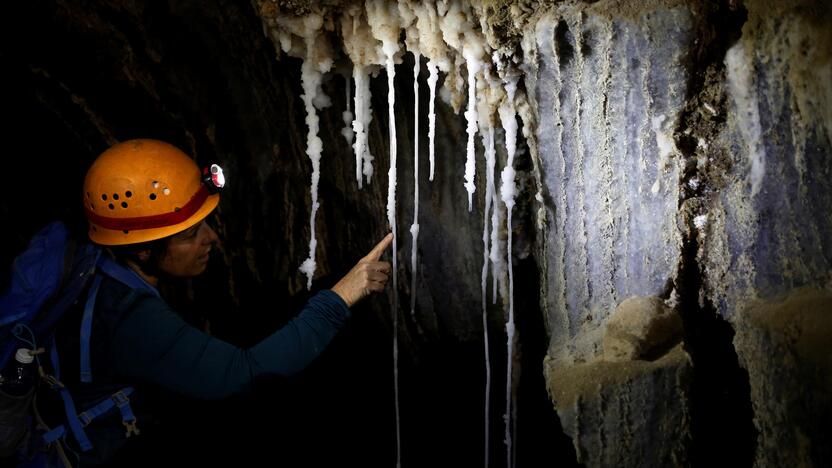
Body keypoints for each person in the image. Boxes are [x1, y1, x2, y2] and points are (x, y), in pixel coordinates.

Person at [34, 138, 393, 466]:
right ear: (144, 250)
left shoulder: (95, 262)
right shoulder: (128, 317)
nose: (212, 238)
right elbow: (242, 373)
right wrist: (342, 296)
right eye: (191, 234)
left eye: (205, 223)